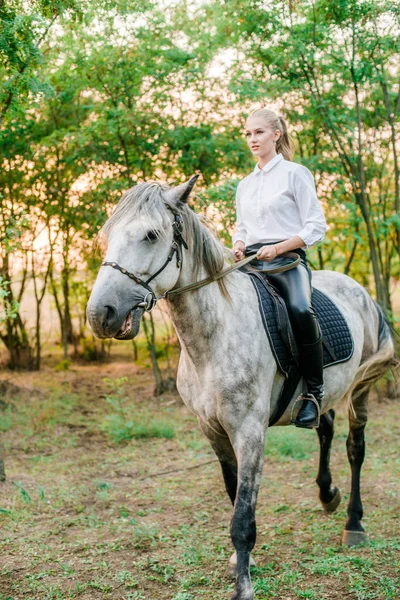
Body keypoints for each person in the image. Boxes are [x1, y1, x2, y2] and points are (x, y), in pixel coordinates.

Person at [232, 108, 327, 429]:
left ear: (276, 134)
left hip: (287, 262)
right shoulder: (244, 185)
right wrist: (239, 243)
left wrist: (280, 247)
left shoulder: (295, 173)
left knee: (301, 310)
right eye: (247, 134)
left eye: (258, 132)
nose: (252, 139)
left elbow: (316, 226)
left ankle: (314, 393)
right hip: (251, 264)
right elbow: (242, 227)